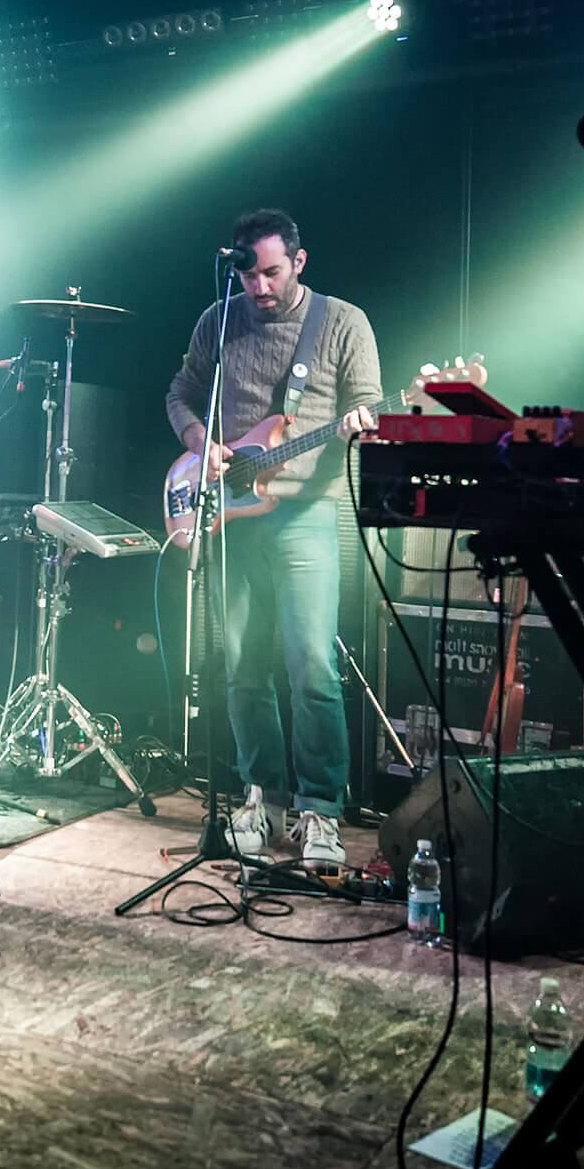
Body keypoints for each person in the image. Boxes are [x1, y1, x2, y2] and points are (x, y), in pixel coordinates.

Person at [165, 209, 381, 871]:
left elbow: (367, 399)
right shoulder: (218, 320)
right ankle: (261, 795)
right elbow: (181, 392)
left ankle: (321, 809)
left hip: (306, 514)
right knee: (241, 665)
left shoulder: (342, 322)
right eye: (249, 274)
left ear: (299, 262)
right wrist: (200, 442)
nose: (260, 287)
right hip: (231, 516)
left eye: (272, 272)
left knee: (312, 665)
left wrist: (360, 421)